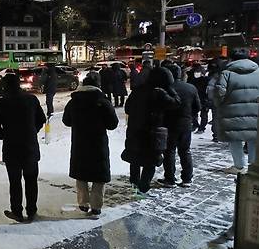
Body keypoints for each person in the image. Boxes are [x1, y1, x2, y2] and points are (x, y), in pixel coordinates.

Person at [0, 74, 46, 223]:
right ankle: (32, 210)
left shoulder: (1, 103)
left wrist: (4, 135)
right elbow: (42, 119)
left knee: (15, 182)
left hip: (12, 148)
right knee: (31, 180)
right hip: (30, 147)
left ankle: (17, 211)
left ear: (4, 86)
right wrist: (33, 130)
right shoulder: (31, 99)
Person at [63, 76, 119, 216]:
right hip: (98, 143)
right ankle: (96, 206)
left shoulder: (73, 102)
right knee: (99, 175)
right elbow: (113, 124)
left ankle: (83, 203)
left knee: (81, 173)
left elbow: (66, 121)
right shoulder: (102, 101)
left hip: (79, 142)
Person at [122, 65, 181, 195]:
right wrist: (170, 90)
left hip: (135, 129)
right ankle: (144, 184)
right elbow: (176, 103)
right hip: (152, 132)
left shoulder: (138, 90)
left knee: (135, 157)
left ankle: (134, 181)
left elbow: (127, 108)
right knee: (151, 159)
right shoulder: (160, 93)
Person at [213, 48, 259, 174]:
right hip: (255, 112)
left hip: (231, 112)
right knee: (253, 139)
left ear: (231, 58)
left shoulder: (226, 72)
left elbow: (219, 93)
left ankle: (239, 166)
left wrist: (219, 104)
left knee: (235, 139)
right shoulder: (258, 71)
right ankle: (253, 165)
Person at [159, 64, 201, 188]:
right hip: (185, 124)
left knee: (169, 152)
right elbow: (197, 107)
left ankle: (170, 179)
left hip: (169, 124)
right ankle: (187, 178)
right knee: (185, 151)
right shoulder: (190, 88)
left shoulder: (165, 88)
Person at [189, 64, 209, 134]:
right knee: (194, 113)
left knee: (202, 114)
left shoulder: (206, 80)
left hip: (203, 98)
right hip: (198, 98)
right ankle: (197, 125)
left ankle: (201, 127)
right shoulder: (193, 79)